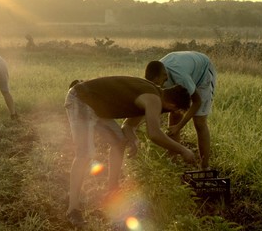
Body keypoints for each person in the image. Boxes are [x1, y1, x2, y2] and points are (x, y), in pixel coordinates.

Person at [64, 76, 195, 227]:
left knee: (119, 141)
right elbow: (154, 134)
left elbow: (128, 126)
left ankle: (112, 190)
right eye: (175, 110)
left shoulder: (152, 94)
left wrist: (132, 139)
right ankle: (72, 209)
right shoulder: (154, 99)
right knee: (85, 153)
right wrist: (183, 150)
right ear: (172, 105)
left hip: (95, 106)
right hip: (80, 99)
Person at [145, 51, 216, 170]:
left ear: (165, 76)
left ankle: (205, 166)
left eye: (160, 84)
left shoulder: (180, 77)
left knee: (199, 122)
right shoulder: (156, 75)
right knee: (175, 112)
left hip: (203, 73)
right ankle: (172, 160)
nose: (160, 87)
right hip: (187, 68)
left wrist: (179, 126)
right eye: (156, 85)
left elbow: (197, 102)